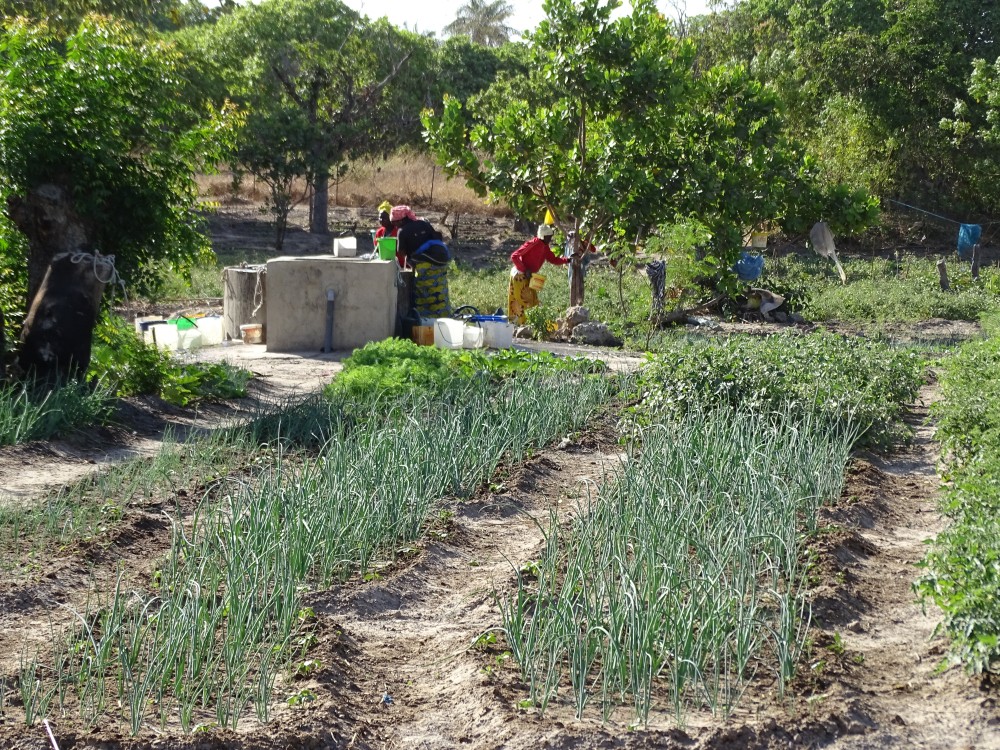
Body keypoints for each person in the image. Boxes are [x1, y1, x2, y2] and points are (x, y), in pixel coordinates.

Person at [391, 205, 451, 317]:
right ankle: (444, 317)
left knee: (425, 292)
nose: (394, 225)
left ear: (402, 220)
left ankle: (426, 320)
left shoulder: (402, 231)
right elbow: (434, 237)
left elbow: (401, 252)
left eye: (395, 222)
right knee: (439, 289)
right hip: (441, 261)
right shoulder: (423, 223)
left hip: (425, 264)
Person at [508, 224, 570, 324]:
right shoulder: (533, 243)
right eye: (549, 237)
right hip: (519, 276)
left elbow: (553, 259)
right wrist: (524, 270)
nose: (550, 239)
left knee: (533, 302)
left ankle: (529, 325)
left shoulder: (545, 247)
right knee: (522, 302)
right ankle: (519, 326)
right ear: (543, 236)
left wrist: (567, 260)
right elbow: (514, 256)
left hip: (530, 277)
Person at [373, 201, 403, 266]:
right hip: (384, 265)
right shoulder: (379, 232)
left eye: (384, 218)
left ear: (390, 218)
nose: (381, 220)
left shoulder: (399, 231)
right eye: (380, 217)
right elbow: (377, 250)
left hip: (400, 265)